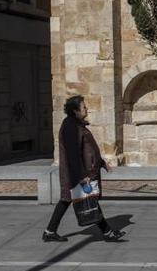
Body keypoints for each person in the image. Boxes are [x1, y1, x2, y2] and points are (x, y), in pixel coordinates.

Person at [43, 95, 124, 242]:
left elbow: (88, 148)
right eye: (83, 107)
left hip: (80, 171)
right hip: (75, 172)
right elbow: (73, 154)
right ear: (75, 110)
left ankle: (49, 231)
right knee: (88, 199)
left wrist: (101, 162)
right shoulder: (70, 126)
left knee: (68, 199)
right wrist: (82, 175)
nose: (86, 109)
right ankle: (107, 232)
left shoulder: (77, 125)